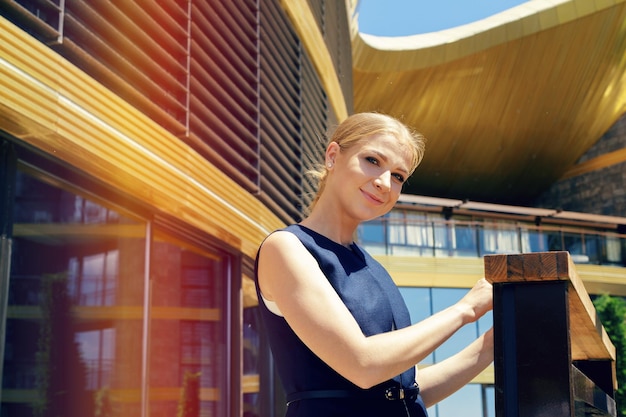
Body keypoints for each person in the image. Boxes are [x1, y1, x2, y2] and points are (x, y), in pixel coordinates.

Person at [254, 112, 493, 417]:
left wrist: (492, 345)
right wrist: (466, 310)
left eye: (398, 176)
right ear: (332, 156)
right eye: (373, 161)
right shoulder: (287, 248)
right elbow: (362, 365)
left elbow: (405, 391)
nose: (384, 183)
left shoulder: (372, 267)